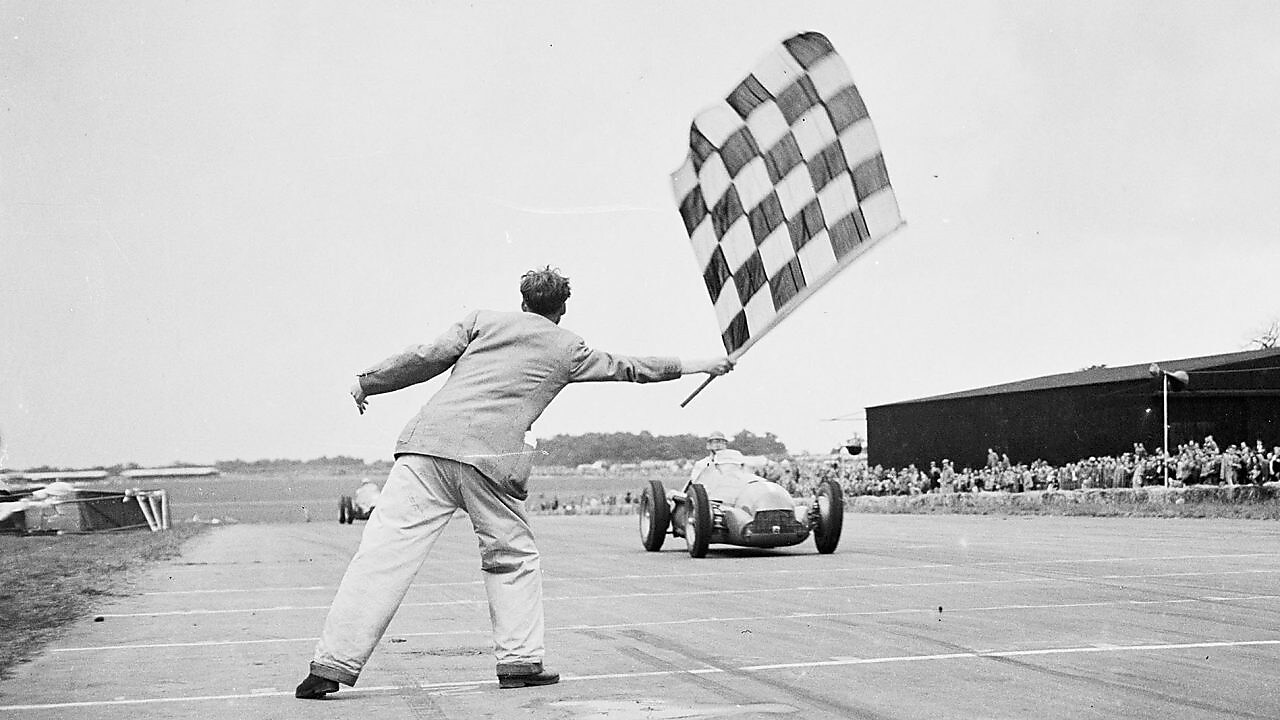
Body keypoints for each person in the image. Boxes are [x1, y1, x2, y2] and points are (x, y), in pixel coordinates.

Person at [295, 267, 733, 699]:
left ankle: (329, 667)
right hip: (491, 461)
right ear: (561, 309)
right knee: (512, 558)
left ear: (522, 302)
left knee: (381, 557)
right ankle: (520, 661)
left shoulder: (481, 321)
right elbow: (633, 367)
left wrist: (366, 383)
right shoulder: (569, 347)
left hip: (425, 448)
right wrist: (702, 364)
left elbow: (424, 358)